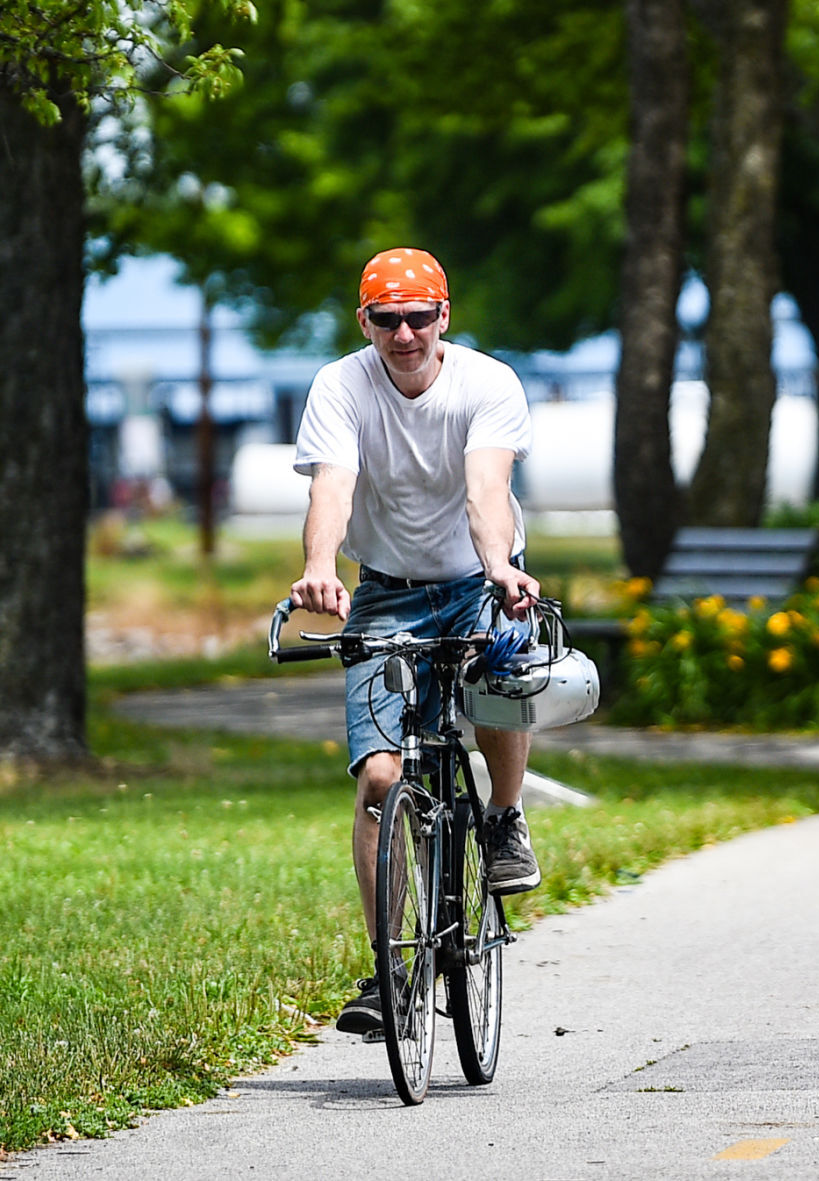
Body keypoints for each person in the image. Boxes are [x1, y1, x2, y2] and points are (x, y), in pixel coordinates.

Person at [288, 247, 543, 1036]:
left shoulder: (487, 383)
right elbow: (332, 483)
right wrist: (318, 569)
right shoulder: (340, 384)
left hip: (477, 576)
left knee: (500, 668)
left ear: (444, 316)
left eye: (418, 316)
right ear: (363, 321)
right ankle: (386, 967)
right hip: (386, 588)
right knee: (378, 779)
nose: (404, 333)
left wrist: (499, 566)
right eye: (386, 319)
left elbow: (484, 488)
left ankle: (502, 815)